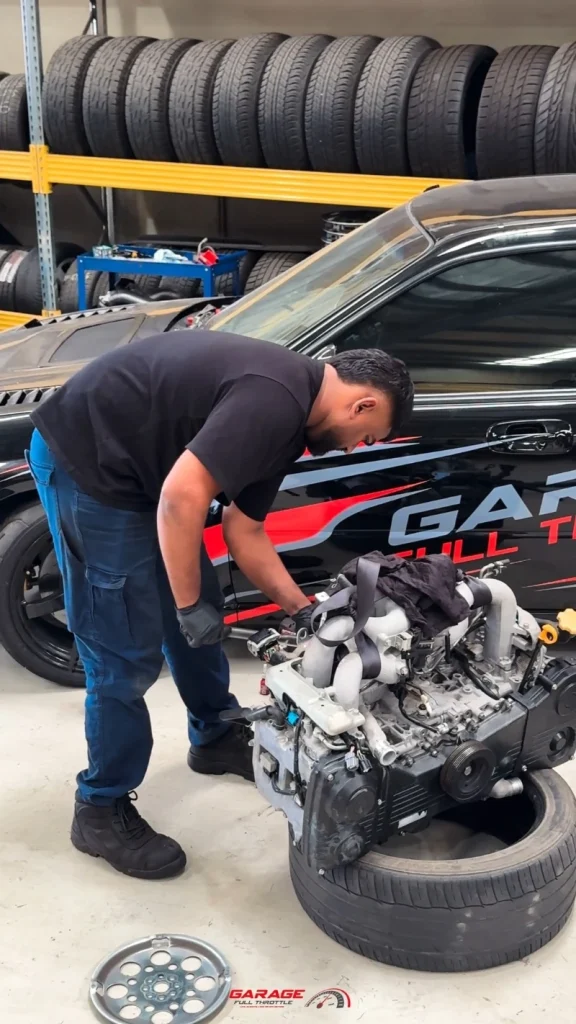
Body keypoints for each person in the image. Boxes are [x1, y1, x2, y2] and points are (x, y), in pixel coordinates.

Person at [27, 330, 413, 879]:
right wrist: (185, 604)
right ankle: (99, 807)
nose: (355, 447)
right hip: (91, 467)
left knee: (204, 609)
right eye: (366, 437)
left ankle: (212, 734)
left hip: (147, 474)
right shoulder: (274, 399)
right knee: (123, 648)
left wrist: (302, 610)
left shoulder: (291, 419)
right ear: (363, 404)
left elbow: (244, 530)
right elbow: (181, 497)